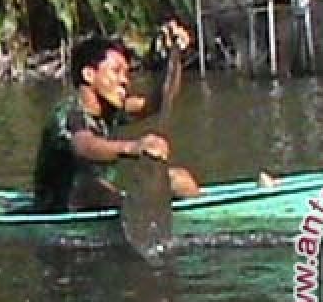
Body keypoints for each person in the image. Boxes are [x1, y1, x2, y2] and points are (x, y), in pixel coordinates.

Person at [33, 22, 203, 212]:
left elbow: (158, 102)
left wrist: (174, 55)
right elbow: (83, 145)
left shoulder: (110, 110)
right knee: (91, 188)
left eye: (126, 74)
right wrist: (134, 147)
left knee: (179, 180)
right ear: (89, 74)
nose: (125, 81)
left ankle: (200, 218)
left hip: (98, 198)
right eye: (116, 71)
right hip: (60, 206)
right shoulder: (68, 114)